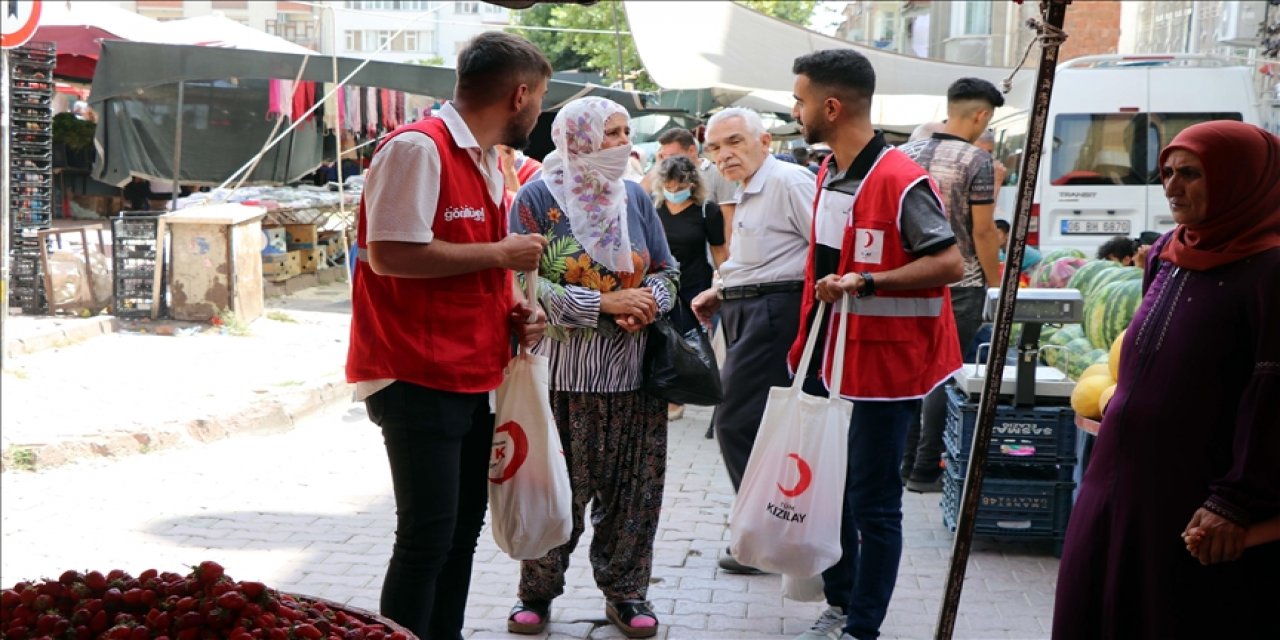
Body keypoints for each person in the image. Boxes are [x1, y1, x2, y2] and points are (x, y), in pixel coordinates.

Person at [344, 31, 552, 640]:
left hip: (474, 369)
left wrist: (515, 304)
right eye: (539, 99)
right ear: (520, 95)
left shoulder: (487, 159)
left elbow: (473, 262)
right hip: (414, 371)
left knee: (460, 533)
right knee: (425, 537)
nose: (538, 111)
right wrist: (501, 254)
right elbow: (390, 255)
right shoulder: (417, 148)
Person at [1052, 120, 1280, 639]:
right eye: (1168, 172)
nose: (1173, 187)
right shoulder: (1169, 252)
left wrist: (1234, 500)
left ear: (1242, 178)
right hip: (1118, 478)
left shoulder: (1270, 270)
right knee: (1096, 603)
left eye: (1192, 174)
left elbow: (1271, 396)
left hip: (1194, 494)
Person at [788, 48, 963, 640]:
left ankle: (862, 627)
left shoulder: (900, 179)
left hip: (888, 369)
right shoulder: (828, 172)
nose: (795, 109)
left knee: (874, 504)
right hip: (831, 360)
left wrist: (867, 282)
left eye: (801, 99)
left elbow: (949, 263)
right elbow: (822, 267)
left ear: (830, 107)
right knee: (833, 490)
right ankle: (840, 603)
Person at [505, 96, 680, 640]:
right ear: (576, 137)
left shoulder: (634, 198)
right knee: (556, 490)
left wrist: (649, 300)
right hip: (561, 378)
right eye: (611, 133)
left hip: (636, 377)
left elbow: (669, 269)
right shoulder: (536, 199)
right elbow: (520, 283)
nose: (623, 143)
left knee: (634, 494)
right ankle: (536, 592)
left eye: (627, 132)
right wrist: (603, 305)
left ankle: (627, 593)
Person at [690, 107, 816, 574]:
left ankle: (766, 535)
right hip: (746, 308)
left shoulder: (788, 181)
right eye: (716, 148)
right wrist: (719, 292)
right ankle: (769, 529)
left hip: (774, 311)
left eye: (735, 142)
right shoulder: (750, 189)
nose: (724, 155)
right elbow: (751, 259)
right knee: (752, 424)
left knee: (734, 421)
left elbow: (825, 251)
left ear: (765, 141)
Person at [897, 77, 1004, 493]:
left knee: (908, 375)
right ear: (981, 115)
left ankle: (905, 464)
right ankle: (926, 468)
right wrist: (995, 287)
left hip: (908, 280)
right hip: (961, 283)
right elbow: (982, 232)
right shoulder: (976, 160)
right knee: (941, 373)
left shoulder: (904, 153)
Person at [652, 155, 728, 421]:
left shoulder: (707, 211)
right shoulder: (655, 208)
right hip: (660, 285)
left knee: (685, 344)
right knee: (659, 342)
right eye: (669, 187)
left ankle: (678, 397)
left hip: (693, 285)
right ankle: (661, 393)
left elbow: (719, 251)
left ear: (692, 184)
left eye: (678, 186)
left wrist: (724, 284)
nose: (673, 192)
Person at [643, 127, 738, 230]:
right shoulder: (666, 175)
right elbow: (640, 194)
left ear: (692, 150)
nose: (669, 160)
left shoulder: (718, 174)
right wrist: (658, 166)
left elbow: (729, 218)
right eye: (664, 156)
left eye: (673, 155)